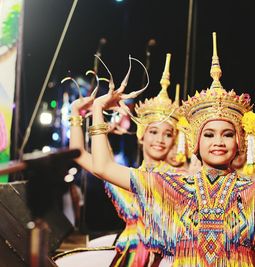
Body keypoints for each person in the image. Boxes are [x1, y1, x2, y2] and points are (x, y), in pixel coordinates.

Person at [89, 32, 255, 266]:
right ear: (195, 142)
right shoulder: (173, 187)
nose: (218, 141)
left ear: (240, 142)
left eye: (228, 134)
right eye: (209, 134)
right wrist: (98, 110)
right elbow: (103, 167)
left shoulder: (248, 192)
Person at [68, 54, 181, 266]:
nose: (160, 140)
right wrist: (77, 112)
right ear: (142, 135)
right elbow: (78, 153)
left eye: (168, 134)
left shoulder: (178, 177)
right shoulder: (126, 177)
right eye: (154, 132)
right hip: (126, 259)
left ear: (174, 139)